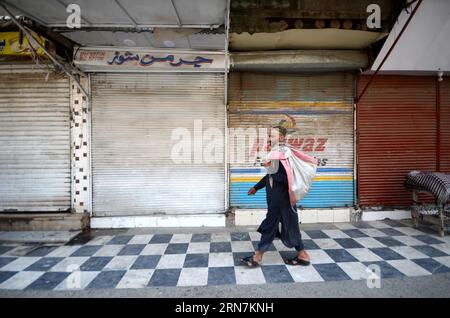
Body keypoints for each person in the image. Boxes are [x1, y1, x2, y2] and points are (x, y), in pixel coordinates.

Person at [240, 125, 310, 267]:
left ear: (282, 138)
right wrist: (256, 187)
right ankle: (303, 255)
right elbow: (270, 176)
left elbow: (286, 178)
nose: (269, 138)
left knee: (270, 227)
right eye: (269, 135)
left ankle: (257, 257)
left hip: (281, 200)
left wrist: (268, 167)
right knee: (290, 227)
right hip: (278, 200)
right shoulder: (276, 154)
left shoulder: (284, 155)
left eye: (272, 135)